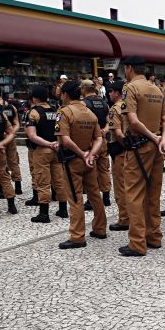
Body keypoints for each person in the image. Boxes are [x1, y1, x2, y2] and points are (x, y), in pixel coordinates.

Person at [119, 56, 165, 257]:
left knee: (133, 194)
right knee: (153, 193)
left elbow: (132, 120)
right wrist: (161, 138)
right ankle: (154, 236)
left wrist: (152, 136)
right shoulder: (156, 89)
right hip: (157, 147)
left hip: (139, 147)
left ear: (129, 68)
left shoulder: (130, 88)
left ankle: (137, 243)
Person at [55, 81, 107, 249]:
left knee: (75, 197)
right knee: (94, 194)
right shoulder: (90, 113)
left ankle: (77, 236)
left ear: (65, 95)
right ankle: (100, 228)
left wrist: (81, 153)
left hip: (73, 160)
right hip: (89, 160)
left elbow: (65, 139)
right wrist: (91, 154)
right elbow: (99, 138)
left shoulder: (64, 112)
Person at [24, 85, 68, 223]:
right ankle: (63, 210)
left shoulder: (33, 113)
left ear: (34, 98)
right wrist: (56, 144)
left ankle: (44, 214)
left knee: (42, 181)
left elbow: (31, 135)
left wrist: (48, 144)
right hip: (57, 149)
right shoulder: (56, 111)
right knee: (59, 181)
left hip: (42, 150)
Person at [81, 79, 111, 208]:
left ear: (83, 89)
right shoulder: (104, 103)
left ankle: (91, 199)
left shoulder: (84, 104)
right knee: (104, 169)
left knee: (91, 170)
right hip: (103, 140)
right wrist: (104, 130)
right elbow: (109, 121)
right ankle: (106, 197)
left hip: (92, 141)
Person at [0, 85, 23, 195]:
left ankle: (2, 188)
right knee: (14, 161)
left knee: (0, 163)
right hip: (11, 138)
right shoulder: (11, 106)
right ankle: (18, 187)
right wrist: (11, 133)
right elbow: (17, 123)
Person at [106, 80, 130, 232]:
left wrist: (125, 146)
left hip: (120, 152)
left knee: (121, 187)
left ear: (116, 93)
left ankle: (124, 218)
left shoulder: (115, 109)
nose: (109, 94)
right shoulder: (130, 106)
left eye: (111, 91)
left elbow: (117, 132)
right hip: (131, 150)